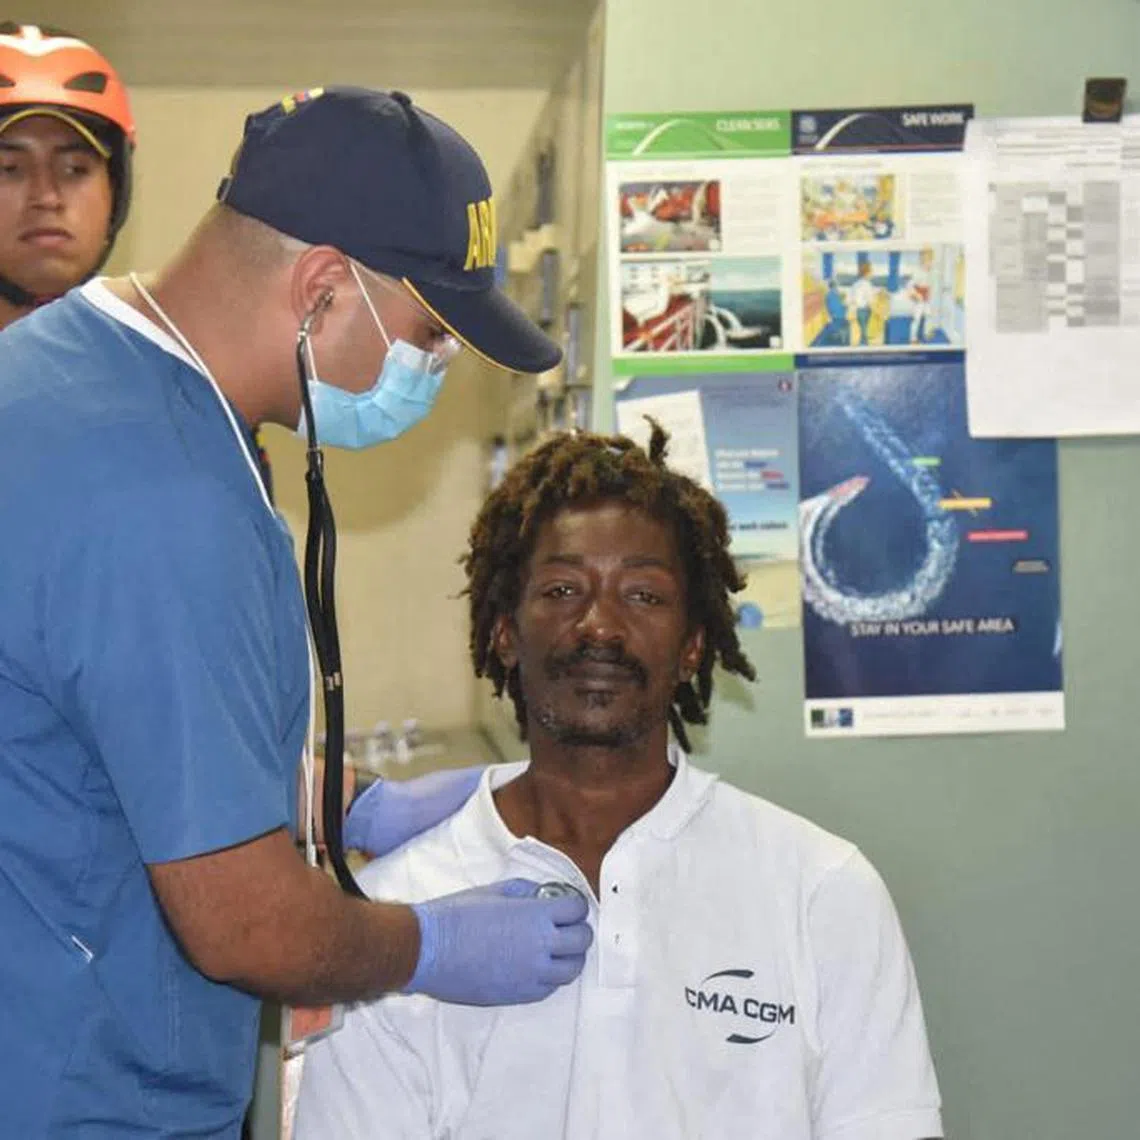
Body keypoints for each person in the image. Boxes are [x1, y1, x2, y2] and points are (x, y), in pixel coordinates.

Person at [0, 86, 595, 1138]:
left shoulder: (67, 379)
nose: (435, 368)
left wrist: (339, 799)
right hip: (77, 1097)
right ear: (322, 290)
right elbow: (244, 924)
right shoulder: (161, 493)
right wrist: (431, 946)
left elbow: (89, 725)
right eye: (428, 334)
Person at [295, 424, 945, 1139]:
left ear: (693, 645)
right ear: (506, 631)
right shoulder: (401, 919)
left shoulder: (821, 891)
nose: (599, 625)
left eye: (643, 595)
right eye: (563, 588)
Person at [0, 22, 134, 331]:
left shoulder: (172, 365)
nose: (46, 198)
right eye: (9, 169)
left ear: (116, 192)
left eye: (75, 169)